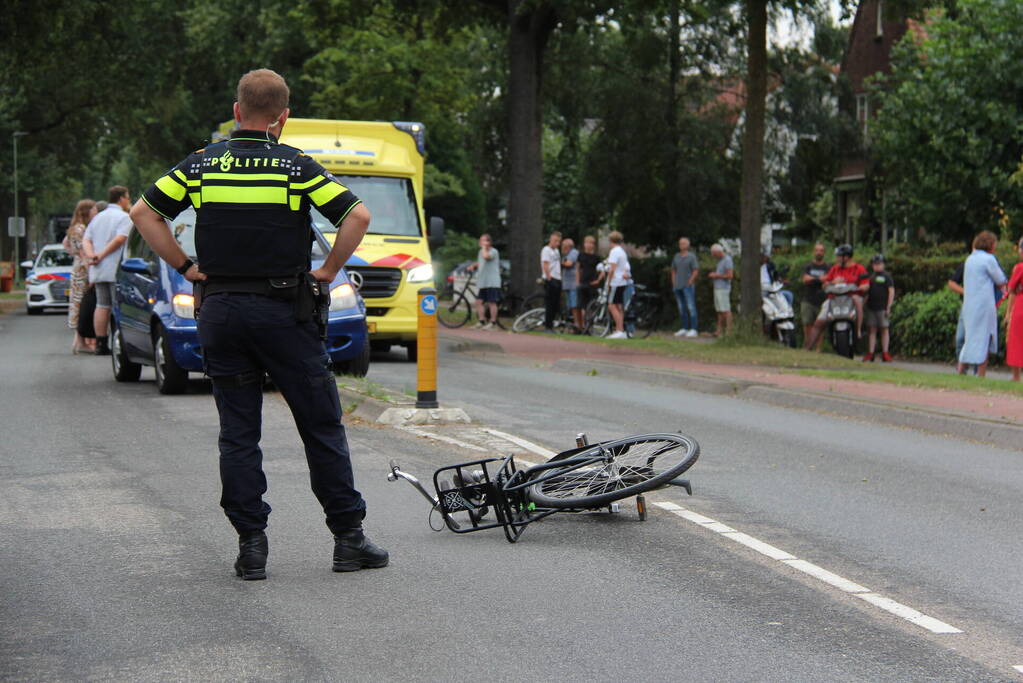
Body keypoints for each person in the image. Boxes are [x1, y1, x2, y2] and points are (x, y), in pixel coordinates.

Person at [129, 68, 386, 580]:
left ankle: (251, 547)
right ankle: (348, 540)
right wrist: (329, 271)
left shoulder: (202, 165)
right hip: (284, 313)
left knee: (238, 434)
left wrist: (186, 268)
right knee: (320, 425)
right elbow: (356, 217)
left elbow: (144, 212)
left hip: (221, 312)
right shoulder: (294, 167)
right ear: (282, 118)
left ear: (236, 111)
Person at [82, 187, 133, 355]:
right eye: (127, 197)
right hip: (115, 268)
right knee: (117, 306)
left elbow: (86, 239)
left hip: (98, 269)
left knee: (102, 304)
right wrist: (102, 255)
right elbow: (120, 239)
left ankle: (101, 343)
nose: (128, 200)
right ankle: (120, 342)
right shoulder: (124, 218)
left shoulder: (98, 218)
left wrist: (92, 256)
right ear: (121, 199)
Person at [957, 230, 1007, 377]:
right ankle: (981, 374)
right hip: (984, 305)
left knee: (970, 338)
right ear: (990, 244)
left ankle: (961, 370)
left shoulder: (970, 259)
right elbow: (1001, 280)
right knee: (984, 338)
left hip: (969, 304)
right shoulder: (989, 259)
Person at [804, 244, 868, 350]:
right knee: (819, 322)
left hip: (851, 298)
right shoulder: (835, 269)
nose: (837, 258)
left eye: (839, 256)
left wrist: (859, 288)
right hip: (834, 298)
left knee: (858, 301)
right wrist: (833, 282)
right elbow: (825, 284)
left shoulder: (859, 268)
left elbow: (866, 284)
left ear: (846, 257)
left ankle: (858, 330)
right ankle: (807, 349)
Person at [62, 198, 96, 353]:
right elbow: (83, 250)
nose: (96, 212)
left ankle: (79, 340)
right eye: (94, 209)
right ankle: (80, 341)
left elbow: (65, 244)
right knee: (81, 303)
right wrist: (89, 266)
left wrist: (73, 254)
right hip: (83, 270)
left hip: (77, 268)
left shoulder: (74, 228)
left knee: (78, 302)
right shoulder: (81, 229)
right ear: (87, 211)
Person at [862, 254, 895, 362]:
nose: (877, 266)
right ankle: (871, 353)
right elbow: (867, 293)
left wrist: (889, 306)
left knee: (884, 329)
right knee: (872, 330)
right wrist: (862, 305)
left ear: (883, 265)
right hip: (871, 307)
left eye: (879, 264)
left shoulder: (887, 276)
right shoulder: (870, 277)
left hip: (882, 307)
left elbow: (891, 291)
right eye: (875, 264)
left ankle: (885, 352)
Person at [466, 233, 500, 329]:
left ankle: (493, 323)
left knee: (491, 302)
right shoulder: (481, 251)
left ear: (489, 242)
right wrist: (474, 265)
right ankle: (481, 321)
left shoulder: (494, 251)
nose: (481, 242)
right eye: (481, 240)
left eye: (483, 240)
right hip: (483, 281)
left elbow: (486, 257)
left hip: (492, 281)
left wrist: (484, 248)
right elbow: (481, 261)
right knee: (478, 302)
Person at [801, 243, 829, 352]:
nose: (819, 252)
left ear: (824, 253)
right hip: (808, 299)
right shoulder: (808, 266)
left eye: (821, 250)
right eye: (817, 250)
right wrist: (819, 279)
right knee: (807, 324)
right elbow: (805, 279)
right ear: (813, 252)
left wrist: (812, 279)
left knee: (820, 325)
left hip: (822, 300)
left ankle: (818, 348)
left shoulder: (827, 267)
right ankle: (808, 346)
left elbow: (827, 279)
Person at [1001, 238, 1023, 381]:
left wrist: (1008, 314)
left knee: (1016, 340)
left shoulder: (1020, 268)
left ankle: (1016, 376)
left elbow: (1012, 291)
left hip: (1021, 306)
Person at [671, 237, 699, 338]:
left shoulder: (691, 257)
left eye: (683, 244)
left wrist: (690, 282)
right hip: (678, 286)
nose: (681, 245)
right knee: (681, 308)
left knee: (691, 307)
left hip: (687, 286)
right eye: (680, 244)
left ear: (687, 245)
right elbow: (673, 270)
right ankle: (684, 327)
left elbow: (695, 270)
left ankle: (694, 329)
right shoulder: (676, 256)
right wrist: (674, 282)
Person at [606, 231, 631, 339]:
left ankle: (619, 329)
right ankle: (621, 330)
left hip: (616, 282)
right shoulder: (622, 251)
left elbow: (612, 269)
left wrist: (608, 281)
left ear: (611, 241)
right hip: (622, 282)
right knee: (618, 306)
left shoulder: (614, 252)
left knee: (611, 305)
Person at [707, 243, 733, 336]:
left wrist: (716, 275)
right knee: (719, 311)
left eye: (713, 254)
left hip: (723, 288)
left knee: (726, 310)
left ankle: (729, 332)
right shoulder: (720, 261)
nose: (713, 256)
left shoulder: (727, 260)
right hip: (718, 288)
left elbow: (730, 275)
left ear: (718, 252)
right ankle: (719, 331)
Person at [576, 235, 602, 319]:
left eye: (591, 243)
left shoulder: (596, 258)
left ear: (593, 245)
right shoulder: (581, 255)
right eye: (587, 243)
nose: (588, 245)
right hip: (583, 282)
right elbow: (578, 269)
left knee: (591, 305)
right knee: (581, 305)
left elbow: (602, 270)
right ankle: (582, 325)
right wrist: (577, 281)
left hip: (592, 283)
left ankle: (589, 323)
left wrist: (598, 280)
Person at [540, 231, 562, 331]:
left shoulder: (556, 251)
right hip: (551, 278)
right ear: (550, 240)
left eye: (558, 241)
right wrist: (549, 278)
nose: (557, 243)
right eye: (555, 241)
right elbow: (545, 264)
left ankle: (552, 324)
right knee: (550, 303)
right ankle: (548, 325)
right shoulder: (546, 250)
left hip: (558, 278)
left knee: (555, 303)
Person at [560, 238, 581, 332]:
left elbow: (568, 264)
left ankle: (578, 325)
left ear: (568, 246)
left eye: (563, 246)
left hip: (573, 283)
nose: (562, 248)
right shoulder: (567, 254)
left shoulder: (573, 252)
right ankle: (575, 325)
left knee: (575, 305)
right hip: (568, 284)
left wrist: (559, 262)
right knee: (571, 305)